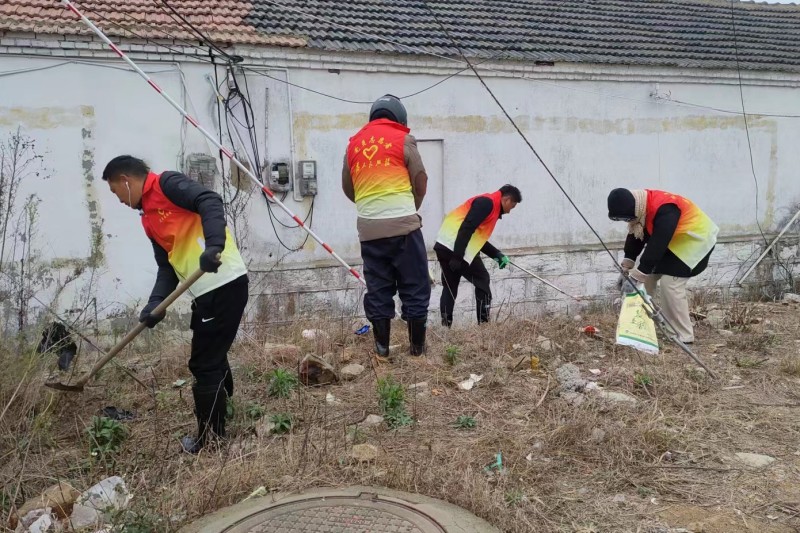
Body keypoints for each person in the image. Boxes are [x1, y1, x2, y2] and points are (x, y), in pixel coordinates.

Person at [102, 155, 249, 453]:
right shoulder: (148, 219)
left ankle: (211, 439)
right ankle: (225, 413)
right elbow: (166, 267)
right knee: (212, 355)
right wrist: (155, 303)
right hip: (205, 292)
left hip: (223, 281)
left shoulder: (166, 184)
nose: (119, 200)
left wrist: (214, 245)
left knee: (204, 363)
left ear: (125, 180)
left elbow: (209, 200)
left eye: (116, 192)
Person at [342, 94, 431, 359]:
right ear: (399, 118)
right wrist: (410, 208)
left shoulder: (353, 145)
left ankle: (381, 349)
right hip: (405, 229)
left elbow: (348, 188)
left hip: (369, 232)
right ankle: (417, 349)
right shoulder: (403, 139)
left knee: (378, 288)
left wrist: (372, 207)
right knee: (415, 286)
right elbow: (420, 180)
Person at [607, 188, 718, 344]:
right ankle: (640, 325)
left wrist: (638, 274)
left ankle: (682, 334)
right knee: (646, 279)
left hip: (695, 240)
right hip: (674, 240)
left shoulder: (666, 209)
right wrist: (627, 267)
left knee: (670, 283)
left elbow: (658, 243)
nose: (627, 222)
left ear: (634, 209)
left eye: (627, 218)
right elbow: (637, 234)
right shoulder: (640, 209)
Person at [434, 185, 522, 327]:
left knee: (450, 286)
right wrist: (457, 256)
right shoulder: (487, 203)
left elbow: (476, 237)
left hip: (444, 245)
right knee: (482, 279)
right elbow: (466, 228)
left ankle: (445, 327)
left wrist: (496, 255)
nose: (509, 212)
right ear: (506, 199)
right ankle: (484, 325)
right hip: (455, 247)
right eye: (511, 207)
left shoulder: (488, 204)